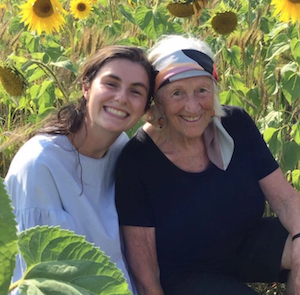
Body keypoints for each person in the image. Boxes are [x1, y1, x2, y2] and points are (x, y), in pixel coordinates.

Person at [115, 35, 300, 295]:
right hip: (186, 275)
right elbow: (146, 274)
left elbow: (286, 201)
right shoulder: (137, 161)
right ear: (157, 100)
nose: (192, 106)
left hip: (245, 244)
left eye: (202, 90)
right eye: (177, 92)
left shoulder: (236, 124)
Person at [4, 45, 154, 295]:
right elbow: (38, 279)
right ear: (86, 87)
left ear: (146, 108)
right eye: (111, 84)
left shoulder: (121, 148)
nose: (121, 98)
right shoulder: (41, 164)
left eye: (136, 91)